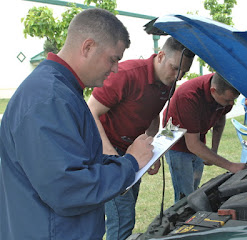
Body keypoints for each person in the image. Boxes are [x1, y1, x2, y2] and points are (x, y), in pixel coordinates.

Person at [0, 9, 154, 240]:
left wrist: (119, 162)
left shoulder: (61, 90)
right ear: (88, 47)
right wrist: (130, 164)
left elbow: (76, 158)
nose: (115, 69)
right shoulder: (48, 98)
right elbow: (68, 189)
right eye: (113, 59)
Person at [87, 36, 195, 240]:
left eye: (184, 72)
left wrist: (150, 148)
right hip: (107, 149)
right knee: (122, 217)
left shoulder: (166, 83)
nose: (178, 76)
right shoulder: (126, 74)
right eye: (174, 68)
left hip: (132, 151)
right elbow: (90, 111)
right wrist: (113, 158)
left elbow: (152, 114)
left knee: (127, 207)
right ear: (161, 56)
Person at [163, 73, 247, 203]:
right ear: (213, 91)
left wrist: (214, 149)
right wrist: (230, 166)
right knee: (185, 197)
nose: (231, 104)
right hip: (176, 142)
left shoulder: (222, 89)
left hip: (197, 138)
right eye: (227, 100)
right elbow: (193, 145)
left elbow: (220, 119)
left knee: (195, 192)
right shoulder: (189, 96)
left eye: (233, 100)